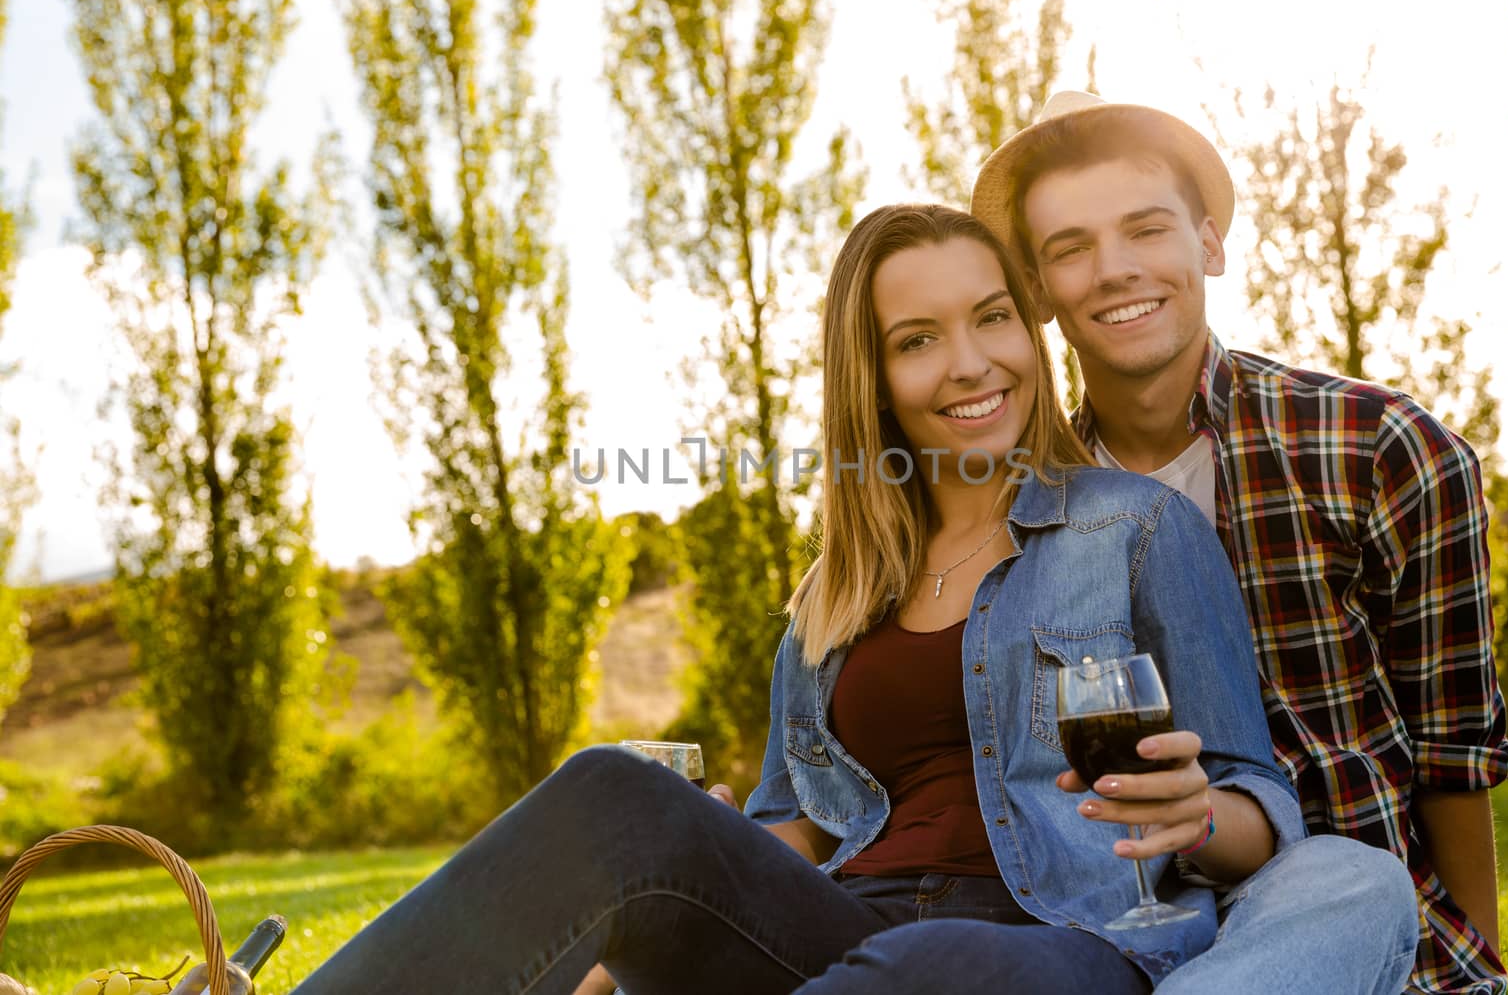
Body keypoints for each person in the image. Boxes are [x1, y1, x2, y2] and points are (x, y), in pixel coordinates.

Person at [288, 204, 1325, 994]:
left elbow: (1259, 808)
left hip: (1064, 943)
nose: (971, 363)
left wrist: (1195, 816)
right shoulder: (838, 591)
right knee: (616, 791)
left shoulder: (1137, 527)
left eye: (993, 317)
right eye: (917, 338)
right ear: (869, 374)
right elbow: (793, 829)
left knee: (933, 962)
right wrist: (666, 872)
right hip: (847, 937)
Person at [970, 91, 1508, 994]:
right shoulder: (1018, 512)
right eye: (1069, 249)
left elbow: (1456, 758)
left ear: (1210, 244)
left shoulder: (1379, 449)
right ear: (1035, 290)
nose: (1113, 270)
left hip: (1358, 928)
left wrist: (1477, 970)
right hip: (1135, 945)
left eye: (1145, 228)